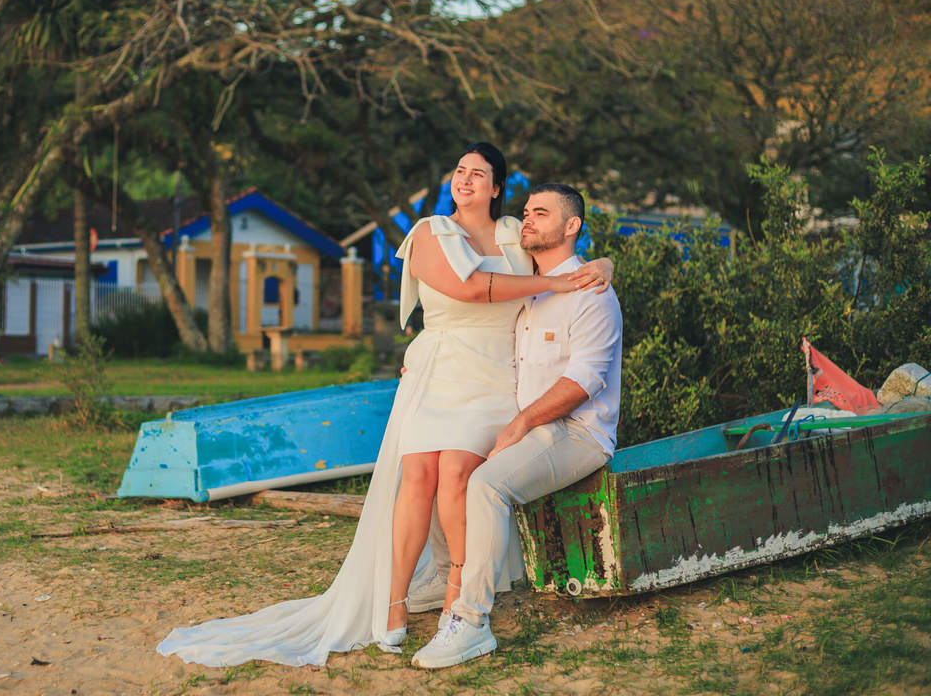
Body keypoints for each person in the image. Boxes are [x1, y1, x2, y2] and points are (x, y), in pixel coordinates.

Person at [155, 144, 612, 667]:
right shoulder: (430, 232)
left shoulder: (514, 232)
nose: (464, 179)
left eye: (477, 173)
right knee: (417, 475)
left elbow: (566, 254)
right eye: (458, 170)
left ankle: (456, 602)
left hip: (493, 374)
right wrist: (556, 281)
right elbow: (467, 288)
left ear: (495, 187)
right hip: (441, 367)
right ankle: (393, 605)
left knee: (459, 473)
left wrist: (601, 263)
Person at [410, 182, 623, 669]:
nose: (527, 219)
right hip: (528, 429)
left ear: (572, 227)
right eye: (526, 211)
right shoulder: (532, 288)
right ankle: (446, 580)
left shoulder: (592, 293)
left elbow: (583, 382)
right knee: (453, 462)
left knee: (485, 484)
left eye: (541, 213)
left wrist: (521, 424)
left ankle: (472, 621)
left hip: (578, 434)